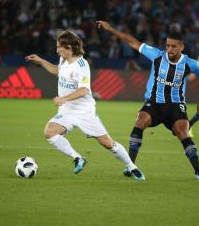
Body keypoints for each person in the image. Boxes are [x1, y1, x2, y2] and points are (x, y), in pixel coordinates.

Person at [96, 21, 199, 181]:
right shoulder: (157, 55)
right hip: (155, 103)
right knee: (139, 121)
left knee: (183, 132)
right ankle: (131, 166)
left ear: (181, 47)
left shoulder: (190, 63)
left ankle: (198, 171)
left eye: (173, 46)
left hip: (175, 106)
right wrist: (111, 29)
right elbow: (132, 41)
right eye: (168, 46)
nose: (169, 50)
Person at [25, 30, 145, 180]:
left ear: (69, 47)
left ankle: (131, 166)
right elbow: (58, 71)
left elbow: (83, 90)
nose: (57, 50)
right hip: (67, 110)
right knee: (49, 132)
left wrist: (64, 98)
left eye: (59, 47)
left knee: (107, 143)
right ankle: (78, 158)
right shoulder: (64, 60)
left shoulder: (82, 66)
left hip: (84, 111)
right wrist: (41, 61)